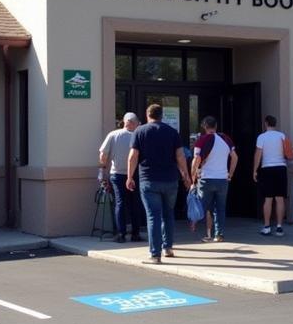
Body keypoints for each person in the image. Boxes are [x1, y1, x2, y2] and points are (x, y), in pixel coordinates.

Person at [127, 104, 192, 264]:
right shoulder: (172, 132)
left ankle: (155, 254)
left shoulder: (140, 131)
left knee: (153, 216)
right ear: (162, 115)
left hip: (148, 180)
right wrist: (186, 175)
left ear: (148, 115)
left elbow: (133, 156)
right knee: (168, 214)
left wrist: (129, 177)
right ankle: (168, 247)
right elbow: (180, 156)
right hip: (170, 180)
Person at [191, 115, 238, 242]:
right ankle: (219, 234)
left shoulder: (201, 140)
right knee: (220, 208)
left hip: (207, 178)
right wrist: (230, 174)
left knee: (203, 207)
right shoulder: (225, 139)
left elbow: (197, 159)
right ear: (215, 126)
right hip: (223, 179)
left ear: (204, 127)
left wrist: (193, 177)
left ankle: (201, 229)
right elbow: (235, 157)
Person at [98, 112, 143, 243]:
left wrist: (102, 171)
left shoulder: (113, 135)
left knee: (120, 203)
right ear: (134, 123)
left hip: (117, 174)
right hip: (135, 174)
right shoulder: (138, 135)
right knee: (135, 203)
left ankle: (121, 234)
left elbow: (103, 155)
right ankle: (135, 233)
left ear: (124, 121)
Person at [253, 114, 288, 236]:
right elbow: (286, 152)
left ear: (266, 123)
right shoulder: (282, 136)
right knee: (280, 199)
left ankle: (267, 226)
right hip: (281, 168)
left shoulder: (262, 137)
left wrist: (254, 170)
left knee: (268, 199)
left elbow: (258, 154)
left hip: (267, 168)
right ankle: (279, 226)